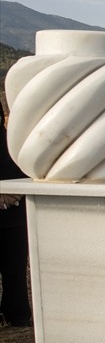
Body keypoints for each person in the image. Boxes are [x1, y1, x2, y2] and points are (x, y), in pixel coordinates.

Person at [1, 97, 32, 326]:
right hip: (16, 213)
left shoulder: (12, 141)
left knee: (16, 270)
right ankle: (18, 314)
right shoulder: (13, 141)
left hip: (15, 215)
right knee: (15, 270)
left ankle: (18, 312)